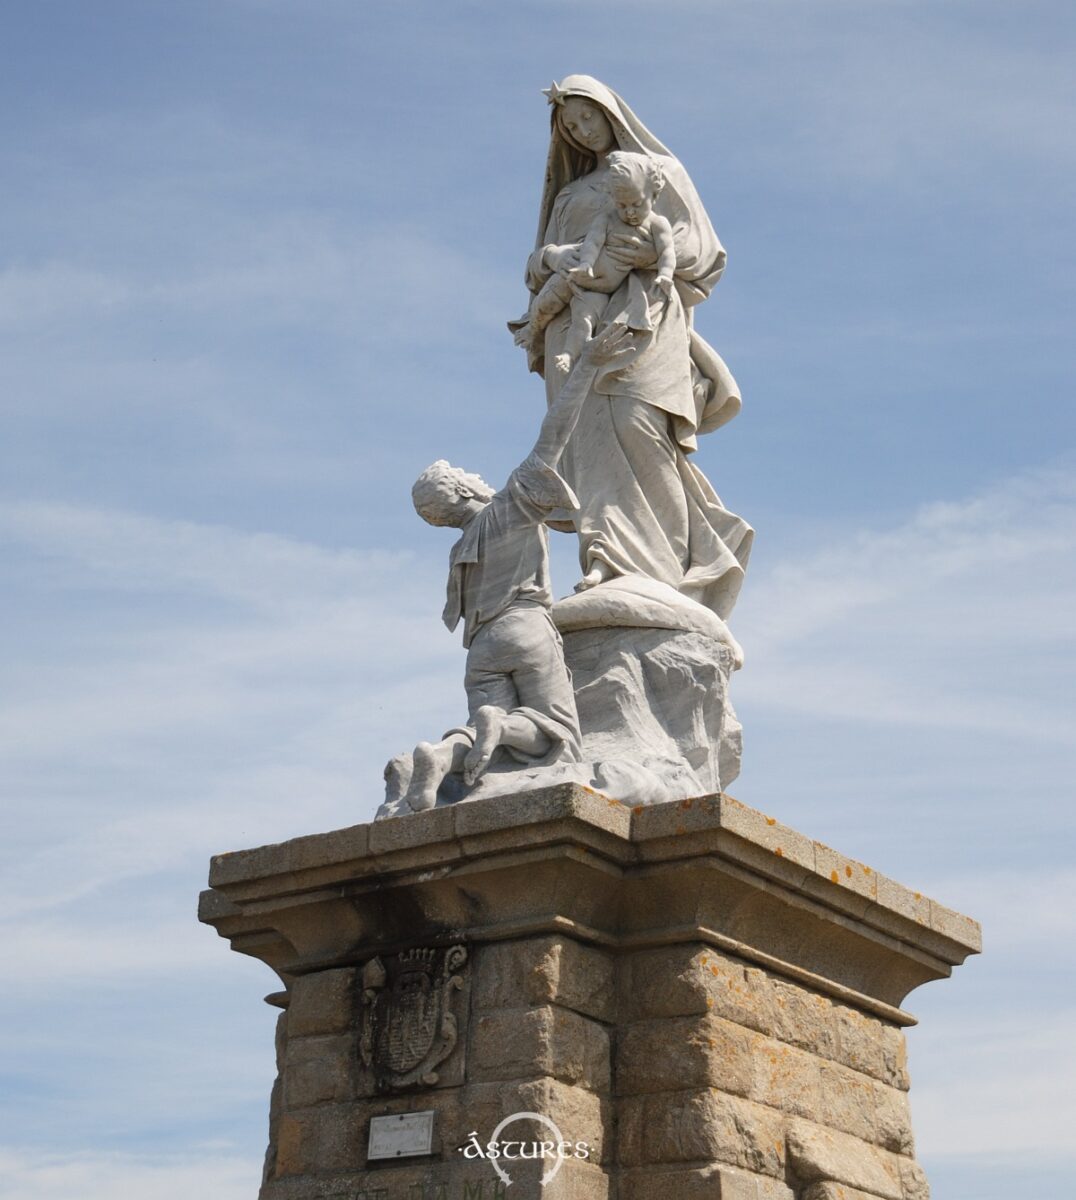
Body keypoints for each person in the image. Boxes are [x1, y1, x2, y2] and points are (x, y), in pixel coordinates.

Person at [511, 75, 753, 611]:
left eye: (588, 117)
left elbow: (702, 252)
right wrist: (555, 258)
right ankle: (604, 558)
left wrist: (645, 255)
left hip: (647, 316)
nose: (583, 130)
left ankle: (672, 566)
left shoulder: (661, 172)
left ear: (610, 112)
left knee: (638, 423)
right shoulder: (571, 194)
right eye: (571, 125)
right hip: (576, 325)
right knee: (588, 438)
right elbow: (536, 265)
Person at [387, 323, 638, 813]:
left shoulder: (460, 550)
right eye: (466, 475)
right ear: (462, 490)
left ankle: (441, 754)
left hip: (481, 648)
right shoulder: (509, 509)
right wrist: (586, 367)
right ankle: (498, 726)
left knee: (487, 737)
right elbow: (553, 436)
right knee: (558, 732)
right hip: (524, 628)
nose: (476, 475)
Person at [513, 151, 676, 378]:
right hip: (577, 274)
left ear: (654, 195)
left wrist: (663, 273)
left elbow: (671, 252)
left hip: (611, 293)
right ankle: (533, 327)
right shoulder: (602, 215)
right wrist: (575, 261)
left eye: (637, 204)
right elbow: (592, 242)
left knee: (585, 322)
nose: (629, 212)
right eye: (622, 205)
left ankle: (569, 354)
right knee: (549, 300)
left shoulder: (658, 222)